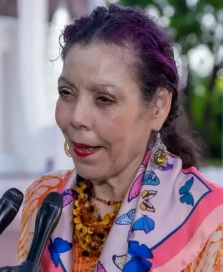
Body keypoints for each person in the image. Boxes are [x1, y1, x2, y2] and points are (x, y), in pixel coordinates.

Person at [16, 4, 223, 272]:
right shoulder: (43, 198)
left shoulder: (211, 222)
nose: (77, 117)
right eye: (66, 92)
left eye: (104, 99)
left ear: (158, 106)